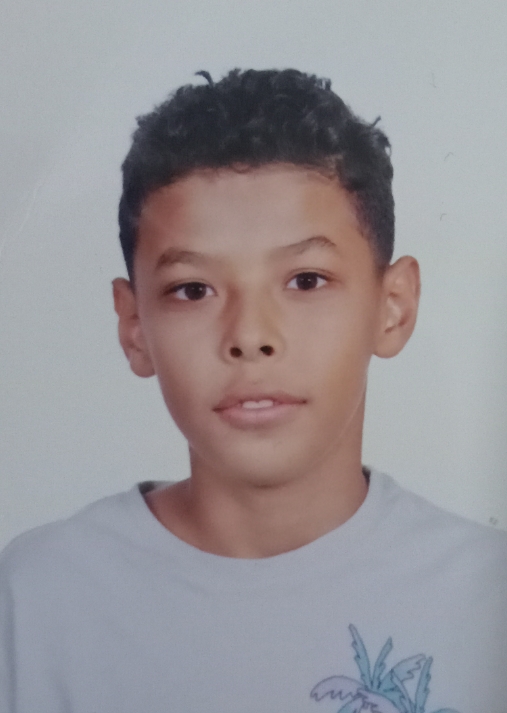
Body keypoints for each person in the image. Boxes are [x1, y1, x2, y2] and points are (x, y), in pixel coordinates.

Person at [0, 68, 505, 713]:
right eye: (193, 290)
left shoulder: (486, 600)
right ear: (134, 327)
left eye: (306, 281)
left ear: (393, 307)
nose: (250, 336)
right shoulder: (38, 600)